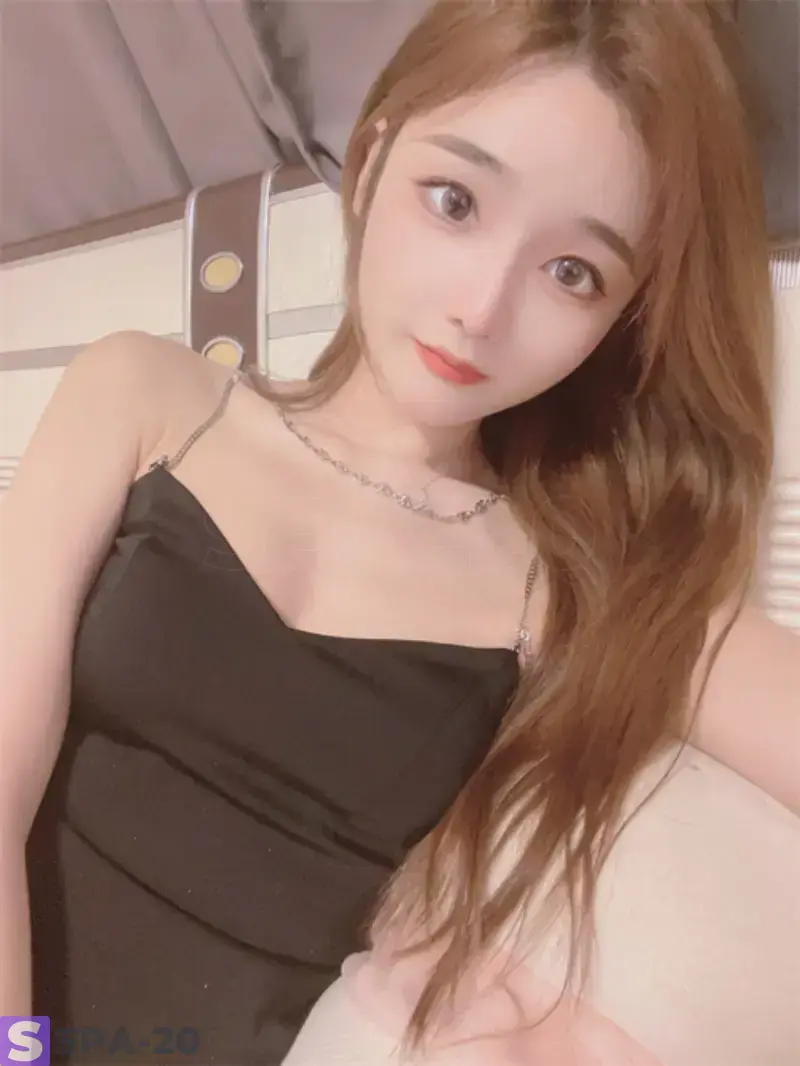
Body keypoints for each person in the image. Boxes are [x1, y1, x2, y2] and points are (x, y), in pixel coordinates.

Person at [1, 0, 798, 1063]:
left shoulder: (565, 582)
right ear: (373, 159)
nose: (482, 306)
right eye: (455, 201)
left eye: (573, 272)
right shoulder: (146, 394)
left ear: (619, 319)